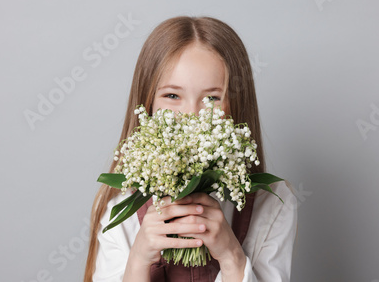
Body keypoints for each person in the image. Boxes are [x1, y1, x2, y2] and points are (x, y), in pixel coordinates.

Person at [84, 16, 297, 282]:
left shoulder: (273, 204)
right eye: (172, 96)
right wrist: (139, 258)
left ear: (236, 105)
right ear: (147, 104)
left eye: (212, 98)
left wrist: (231, 254)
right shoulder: (118, 205)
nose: (192, 115)